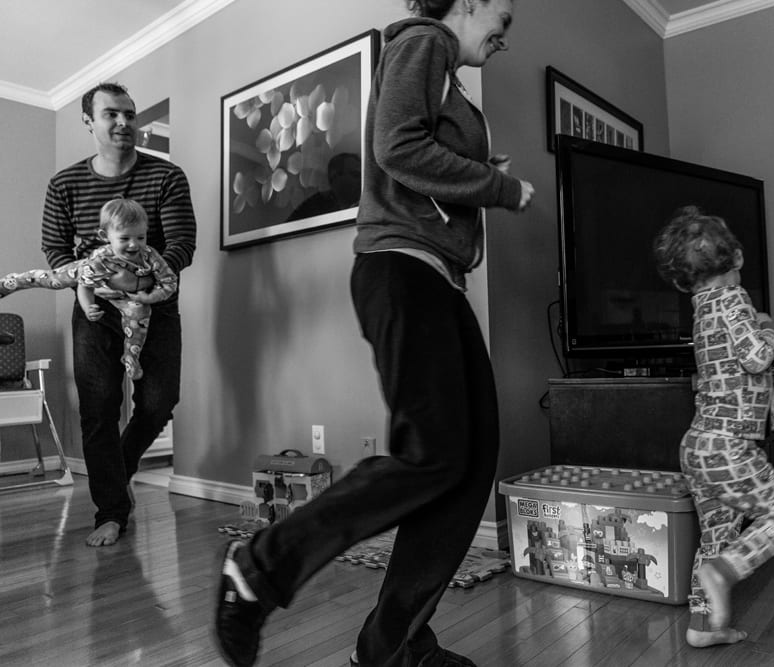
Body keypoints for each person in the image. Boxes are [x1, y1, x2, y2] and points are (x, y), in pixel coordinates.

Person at [214, 1, 533, 665]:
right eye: (503, 12)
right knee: (433, 454)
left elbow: (417, 149)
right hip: (402, 271)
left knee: (468, 465)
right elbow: (397, 147)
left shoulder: (443, 71)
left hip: (434, 277)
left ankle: (396, 644)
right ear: (468, 1)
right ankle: (259, 566)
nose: (508, 29)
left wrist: (469, 167)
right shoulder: (423, 43)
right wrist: (498, 186)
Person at [652, 206, 774, 648]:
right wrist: (767, 326)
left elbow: (759, 367)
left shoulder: (702, 308)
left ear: (681, 280)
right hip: (729, 445)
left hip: (699, 445)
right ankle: (722, 574)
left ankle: (703, 627)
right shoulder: (734, 300)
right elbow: (758, 357)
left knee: (717, 534)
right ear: (736, 257)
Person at [43, 82, 196, 547]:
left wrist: (140, 284)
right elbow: (53, 253)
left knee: (157, 402)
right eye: (111, 114)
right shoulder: (64, 184)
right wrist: (94, 281)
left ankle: (119, 469)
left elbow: (181, 245)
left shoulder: (167, 177)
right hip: (93, 313)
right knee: (99, 408)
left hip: (155, 309)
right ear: (89, 121)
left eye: (130, 114)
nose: (124, 122)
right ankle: (111, 511)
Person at [2, 198, 178, 380]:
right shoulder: (100, 259)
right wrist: (88, 307)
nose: (134, 244)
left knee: (140, 312)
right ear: (104, 236)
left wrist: (149, 298)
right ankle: (13, 282)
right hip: (87, 275)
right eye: (125, 238)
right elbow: (85, 287)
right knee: (53, 280)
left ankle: (131, 357)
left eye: (140, 237)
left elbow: (169, 283)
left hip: (123, 294)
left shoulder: (150, 256)